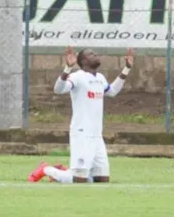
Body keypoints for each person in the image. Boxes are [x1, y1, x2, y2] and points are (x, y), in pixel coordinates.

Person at [28, 47, 133, 184]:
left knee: (102, 180)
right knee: (79, 179)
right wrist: (67, 68)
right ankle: (46, 169)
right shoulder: (76, 77)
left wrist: (127, 69)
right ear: (83, 61)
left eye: (95, 52)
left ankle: (62, 172)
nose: (96, 54)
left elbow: (112, 91)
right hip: (82, 133)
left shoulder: (100, 78)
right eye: (91, 54)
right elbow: (58, 89)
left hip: (97, 135)